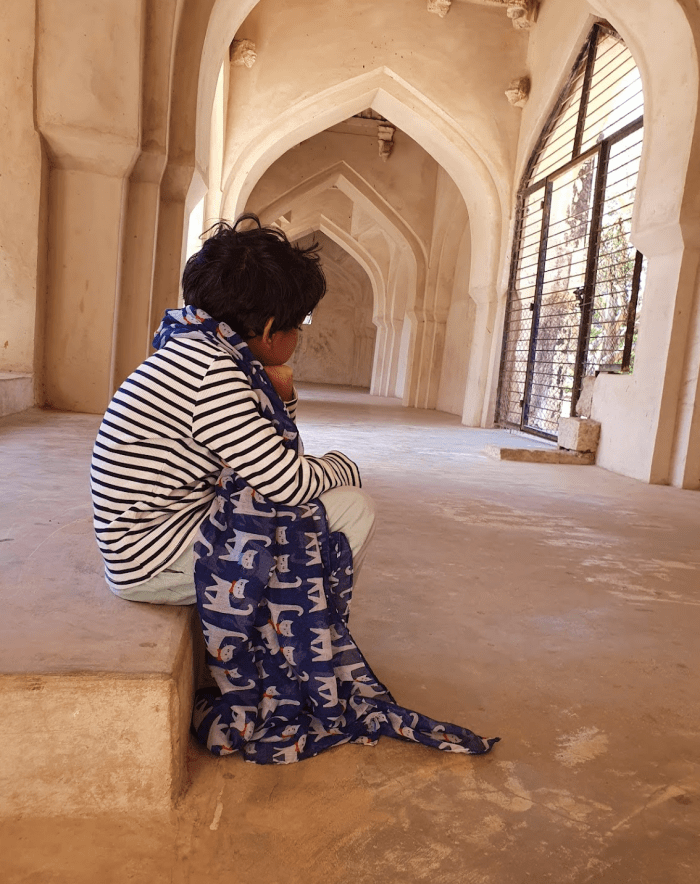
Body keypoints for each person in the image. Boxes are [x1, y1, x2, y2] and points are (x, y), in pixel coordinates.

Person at [90, 214, 375, 606]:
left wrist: (282, 395)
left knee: (311, 497)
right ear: (272, 328)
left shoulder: (194, 348)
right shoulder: (213, 372)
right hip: (154, 562)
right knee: (352, 507)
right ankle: (298, 639)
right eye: (298, 325)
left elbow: (266, 459)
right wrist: (345, 466)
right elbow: (286, 482)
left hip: (152, 541)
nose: (298, 336)